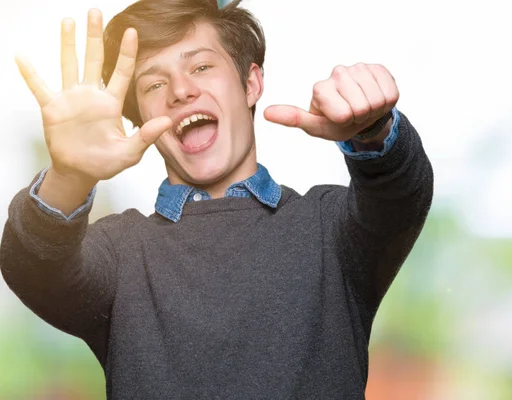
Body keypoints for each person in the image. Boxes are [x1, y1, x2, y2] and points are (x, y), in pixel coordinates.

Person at [0, 0, 434, 398]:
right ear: (139, 120)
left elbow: (399, 190)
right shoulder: (120, 253)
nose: (180, 91)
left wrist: (373, 128)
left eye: (202, 67)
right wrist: (71, 175)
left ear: (251, 83)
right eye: (153, 85)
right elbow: (34, 266)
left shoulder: (329, 231)